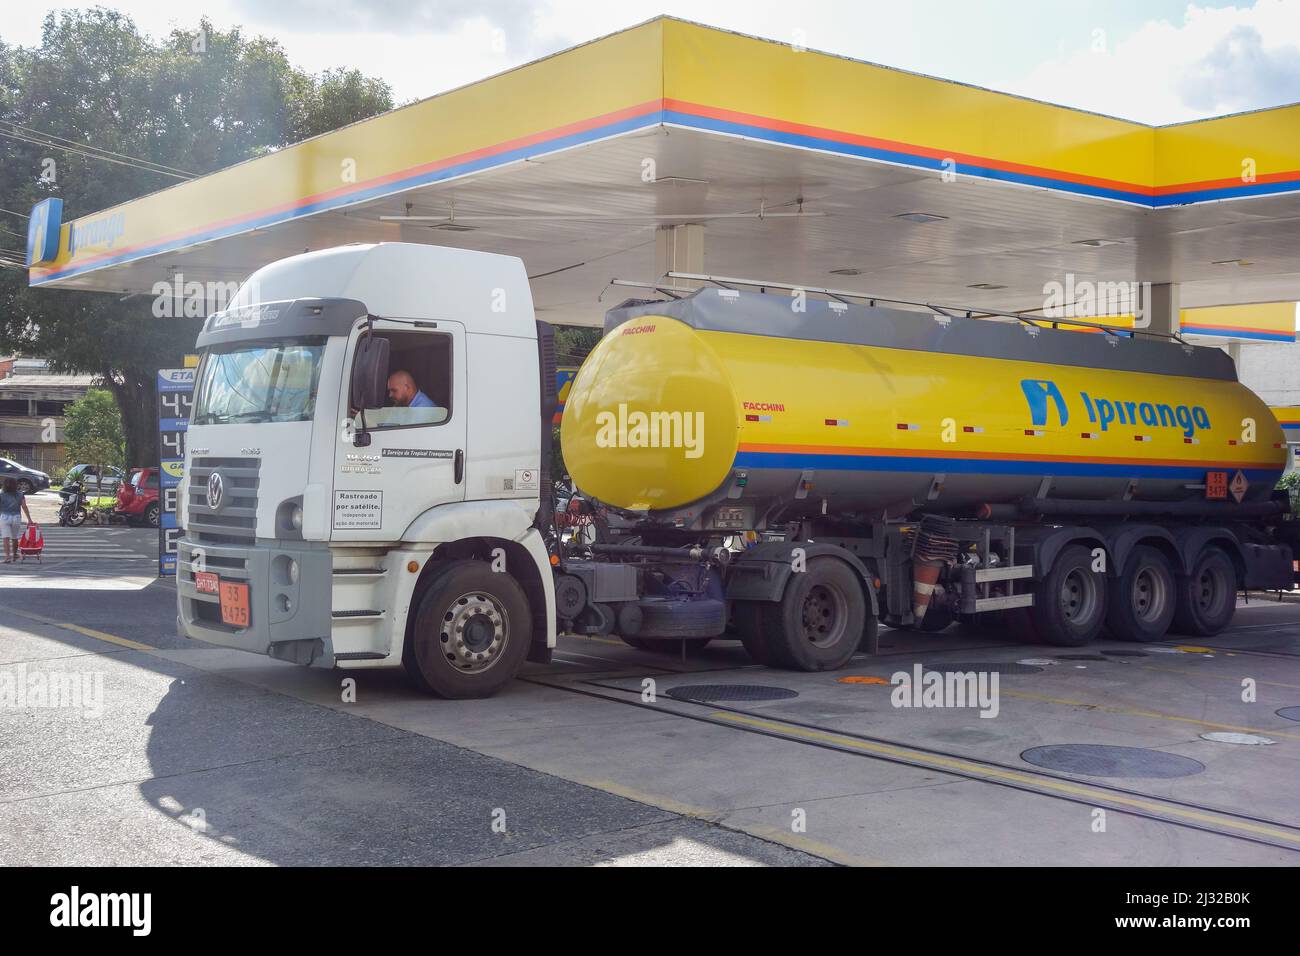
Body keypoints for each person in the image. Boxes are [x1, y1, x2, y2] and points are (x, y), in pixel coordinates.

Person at [0, 476, 35, 564]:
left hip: (4, 517)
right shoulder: (20, 494)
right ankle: (15, 554)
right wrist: (29, 519)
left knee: (5, 538)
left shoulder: (1, 494)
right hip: (16, 517)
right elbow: (24, 507)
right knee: (14, 537)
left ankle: (7, 557)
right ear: (15, 485)